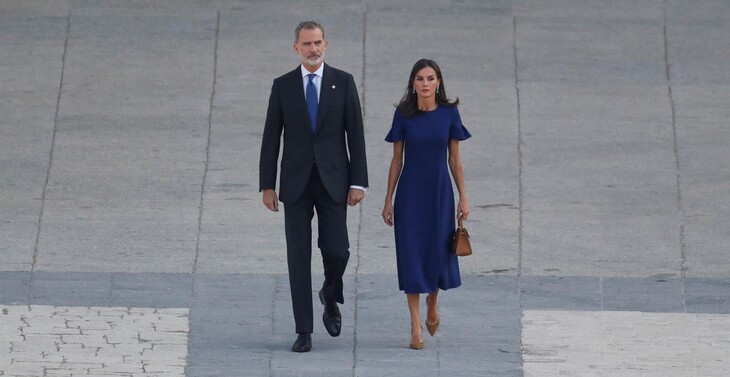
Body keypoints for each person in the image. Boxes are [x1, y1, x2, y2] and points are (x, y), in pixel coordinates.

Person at [259, 21, 368, 353]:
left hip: (335, 181)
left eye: (318, 42)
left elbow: (356, 135)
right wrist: (267, 185)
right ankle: (303, 330)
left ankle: (330, 294)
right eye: (306, 44)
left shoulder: (343, 82)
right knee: (298, 257)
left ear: (326, 44)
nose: (313, 48)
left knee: (338, 250)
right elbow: (270, 137)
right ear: (296, 48)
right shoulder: (283, 86)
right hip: (295, 184)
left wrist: (358, 181)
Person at [381, 59, 470, 350]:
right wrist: (388, 200)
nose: (425, 84)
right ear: (413, 83)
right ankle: (415, 326)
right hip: (410, 195)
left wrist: (463, 197)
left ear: (439, 82)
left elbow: (454, 159)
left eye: (430, 78)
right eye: (419, 79)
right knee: (411, 255)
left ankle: (433, 301)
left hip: (440, 194)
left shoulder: (449, 114)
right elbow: (397, 160)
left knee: (436, 252)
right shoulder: (403, 115)